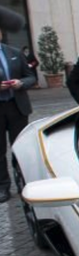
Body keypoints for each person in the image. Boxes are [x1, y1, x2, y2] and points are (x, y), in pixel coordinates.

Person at [0, 25, 36, 203]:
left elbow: (31, 76)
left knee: (20, 147)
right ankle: (3, 187)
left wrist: (20, 83)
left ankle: (24, 183)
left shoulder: (14, 52)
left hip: (17, 107)